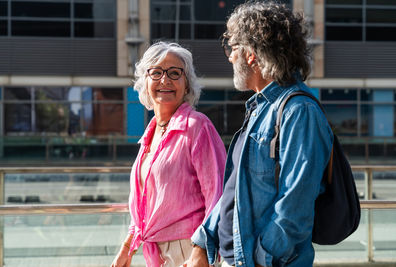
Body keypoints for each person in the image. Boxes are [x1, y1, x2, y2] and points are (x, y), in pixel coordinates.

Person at [187, 2, 333, 267]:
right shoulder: (259, 108)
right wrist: (203, 240)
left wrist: (261, 257)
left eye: (233, 49)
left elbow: (295, 208)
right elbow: (236, 189)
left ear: (251, 54)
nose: (230, 57)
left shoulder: (299, 111)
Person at [110, 42, 227, 267]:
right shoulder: (151, 133)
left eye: (175, 73)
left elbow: (218, 195)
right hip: (156, 251)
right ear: (145, 82)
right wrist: (127, 247)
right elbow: (145, 204)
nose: (165, 80)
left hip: (189, 250)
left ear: (187, 84)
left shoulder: (197, 126)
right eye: (156, 73)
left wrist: (200, 250)